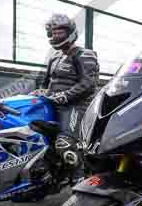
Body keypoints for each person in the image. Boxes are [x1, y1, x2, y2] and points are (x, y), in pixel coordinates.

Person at [31, 13, 100, 178]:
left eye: (60, 32)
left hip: (76, 105)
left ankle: (79, 179)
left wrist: (65, 95)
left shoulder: (85, 54)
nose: (56, 36)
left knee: (64, 144)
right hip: (52, 104)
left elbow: (88, 84)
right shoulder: (55, 57)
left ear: (70, 32)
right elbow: (44, 83)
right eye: (53, 33)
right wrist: (39, 92)